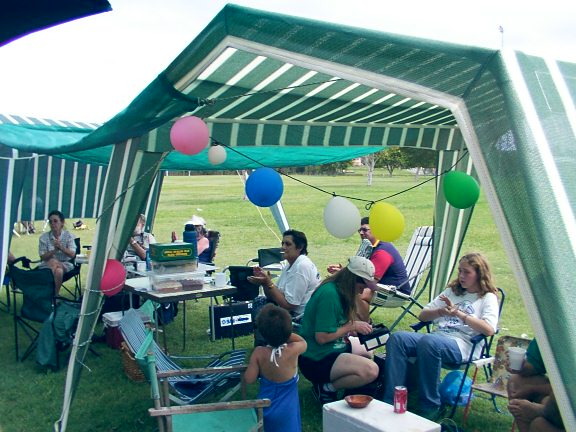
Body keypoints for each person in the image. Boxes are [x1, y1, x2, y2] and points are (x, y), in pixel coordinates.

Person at [383, 252, 499, 419]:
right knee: (398, 338)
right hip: (436, 339)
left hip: (463, 344)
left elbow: (488, 329)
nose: (461, 276)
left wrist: (460, 314)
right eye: (460, 271)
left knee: (429, 341)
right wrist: (440, 311)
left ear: (479, 274)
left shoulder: (487, 297)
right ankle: (391, 400)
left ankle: (430, 405)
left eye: (467, 272)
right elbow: (422, 316)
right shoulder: (453, 291)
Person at [298, 256, 380, 404]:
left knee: (367, 351)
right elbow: (321, 338)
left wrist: (352, 329)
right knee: (371, 370)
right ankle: (326, 388)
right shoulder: (330, 295)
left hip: (330, 348)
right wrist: (351, 326)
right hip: (315, 357)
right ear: (354, 280)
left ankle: (342, 384)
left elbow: (340, 323)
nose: (363, 292)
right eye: (363, 286)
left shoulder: (341, 290)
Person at [328, 216, 408, 321]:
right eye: (359, 230)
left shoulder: (382, 252)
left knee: (357, 292)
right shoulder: (369, 246)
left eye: (365, 229)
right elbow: (361, 271)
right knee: (351, 286)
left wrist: (346, 276)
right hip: (379, 286)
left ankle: (365, 328)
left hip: (395, 292)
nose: (361, 233)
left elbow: (370, 280)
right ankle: (350, 324)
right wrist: (343, 271)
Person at [244, 304, 307, 432]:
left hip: (266, 406)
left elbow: (249, 379)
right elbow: (303, 342)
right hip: (287, 409)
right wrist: (285, 334)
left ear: (261, 332)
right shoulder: (292, 350)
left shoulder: (259, 353)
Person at [248, 229, 320, 319]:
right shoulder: (291, 264)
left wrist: (268, 283)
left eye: (288, 244)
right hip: (289, 311)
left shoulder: (301, 266)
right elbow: (273, 296)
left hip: (300, 317)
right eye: (282, 244)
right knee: (260, 301)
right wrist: (265, 283)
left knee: (261, 305)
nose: (283, 247)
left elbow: (290, 305)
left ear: (300, 247)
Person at [507, 339, 564, 431]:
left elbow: (570, 389)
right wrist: (521, 367)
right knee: (517, 381)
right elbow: (534, 365)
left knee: (539, 425)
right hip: (564, 391)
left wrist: (540, 411)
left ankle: (544, 415)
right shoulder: (552, 331)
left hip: (570, 398)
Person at [38, 210, 77, 294]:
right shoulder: (44, 237)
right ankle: (56, 297)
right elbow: (42, 257)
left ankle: (41, 287)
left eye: (55, 221)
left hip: (65, 264)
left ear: (62, 223)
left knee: (54, 261)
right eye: (50, 222)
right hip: (47, 265)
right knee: (58, 271)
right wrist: (54, 250)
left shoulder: (69, 236)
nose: (52, 224)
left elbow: (72, 254)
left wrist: (61, 248)